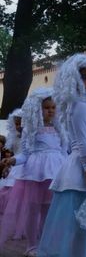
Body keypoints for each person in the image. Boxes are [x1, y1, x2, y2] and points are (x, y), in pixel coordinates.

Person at [38, 54, 86, 257]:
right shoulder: (81, 105)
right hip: (83, 168)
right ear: (76, 80)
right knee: (81, 223)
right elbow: (83, 141)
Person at [0, 88, 67, 257]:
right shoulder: (31, 130)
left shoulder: (60, 130)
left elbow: (64, 151)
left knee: (50, 210)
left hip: (56, 172)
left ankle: (46, 242)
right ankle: (31, 245)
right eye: (46, 108)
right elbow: (25, 153)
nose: (51, 111)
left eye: (53, 107)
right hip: (36, 173)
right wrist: (13, 160)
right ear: (38, 109)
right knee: (33, 210)